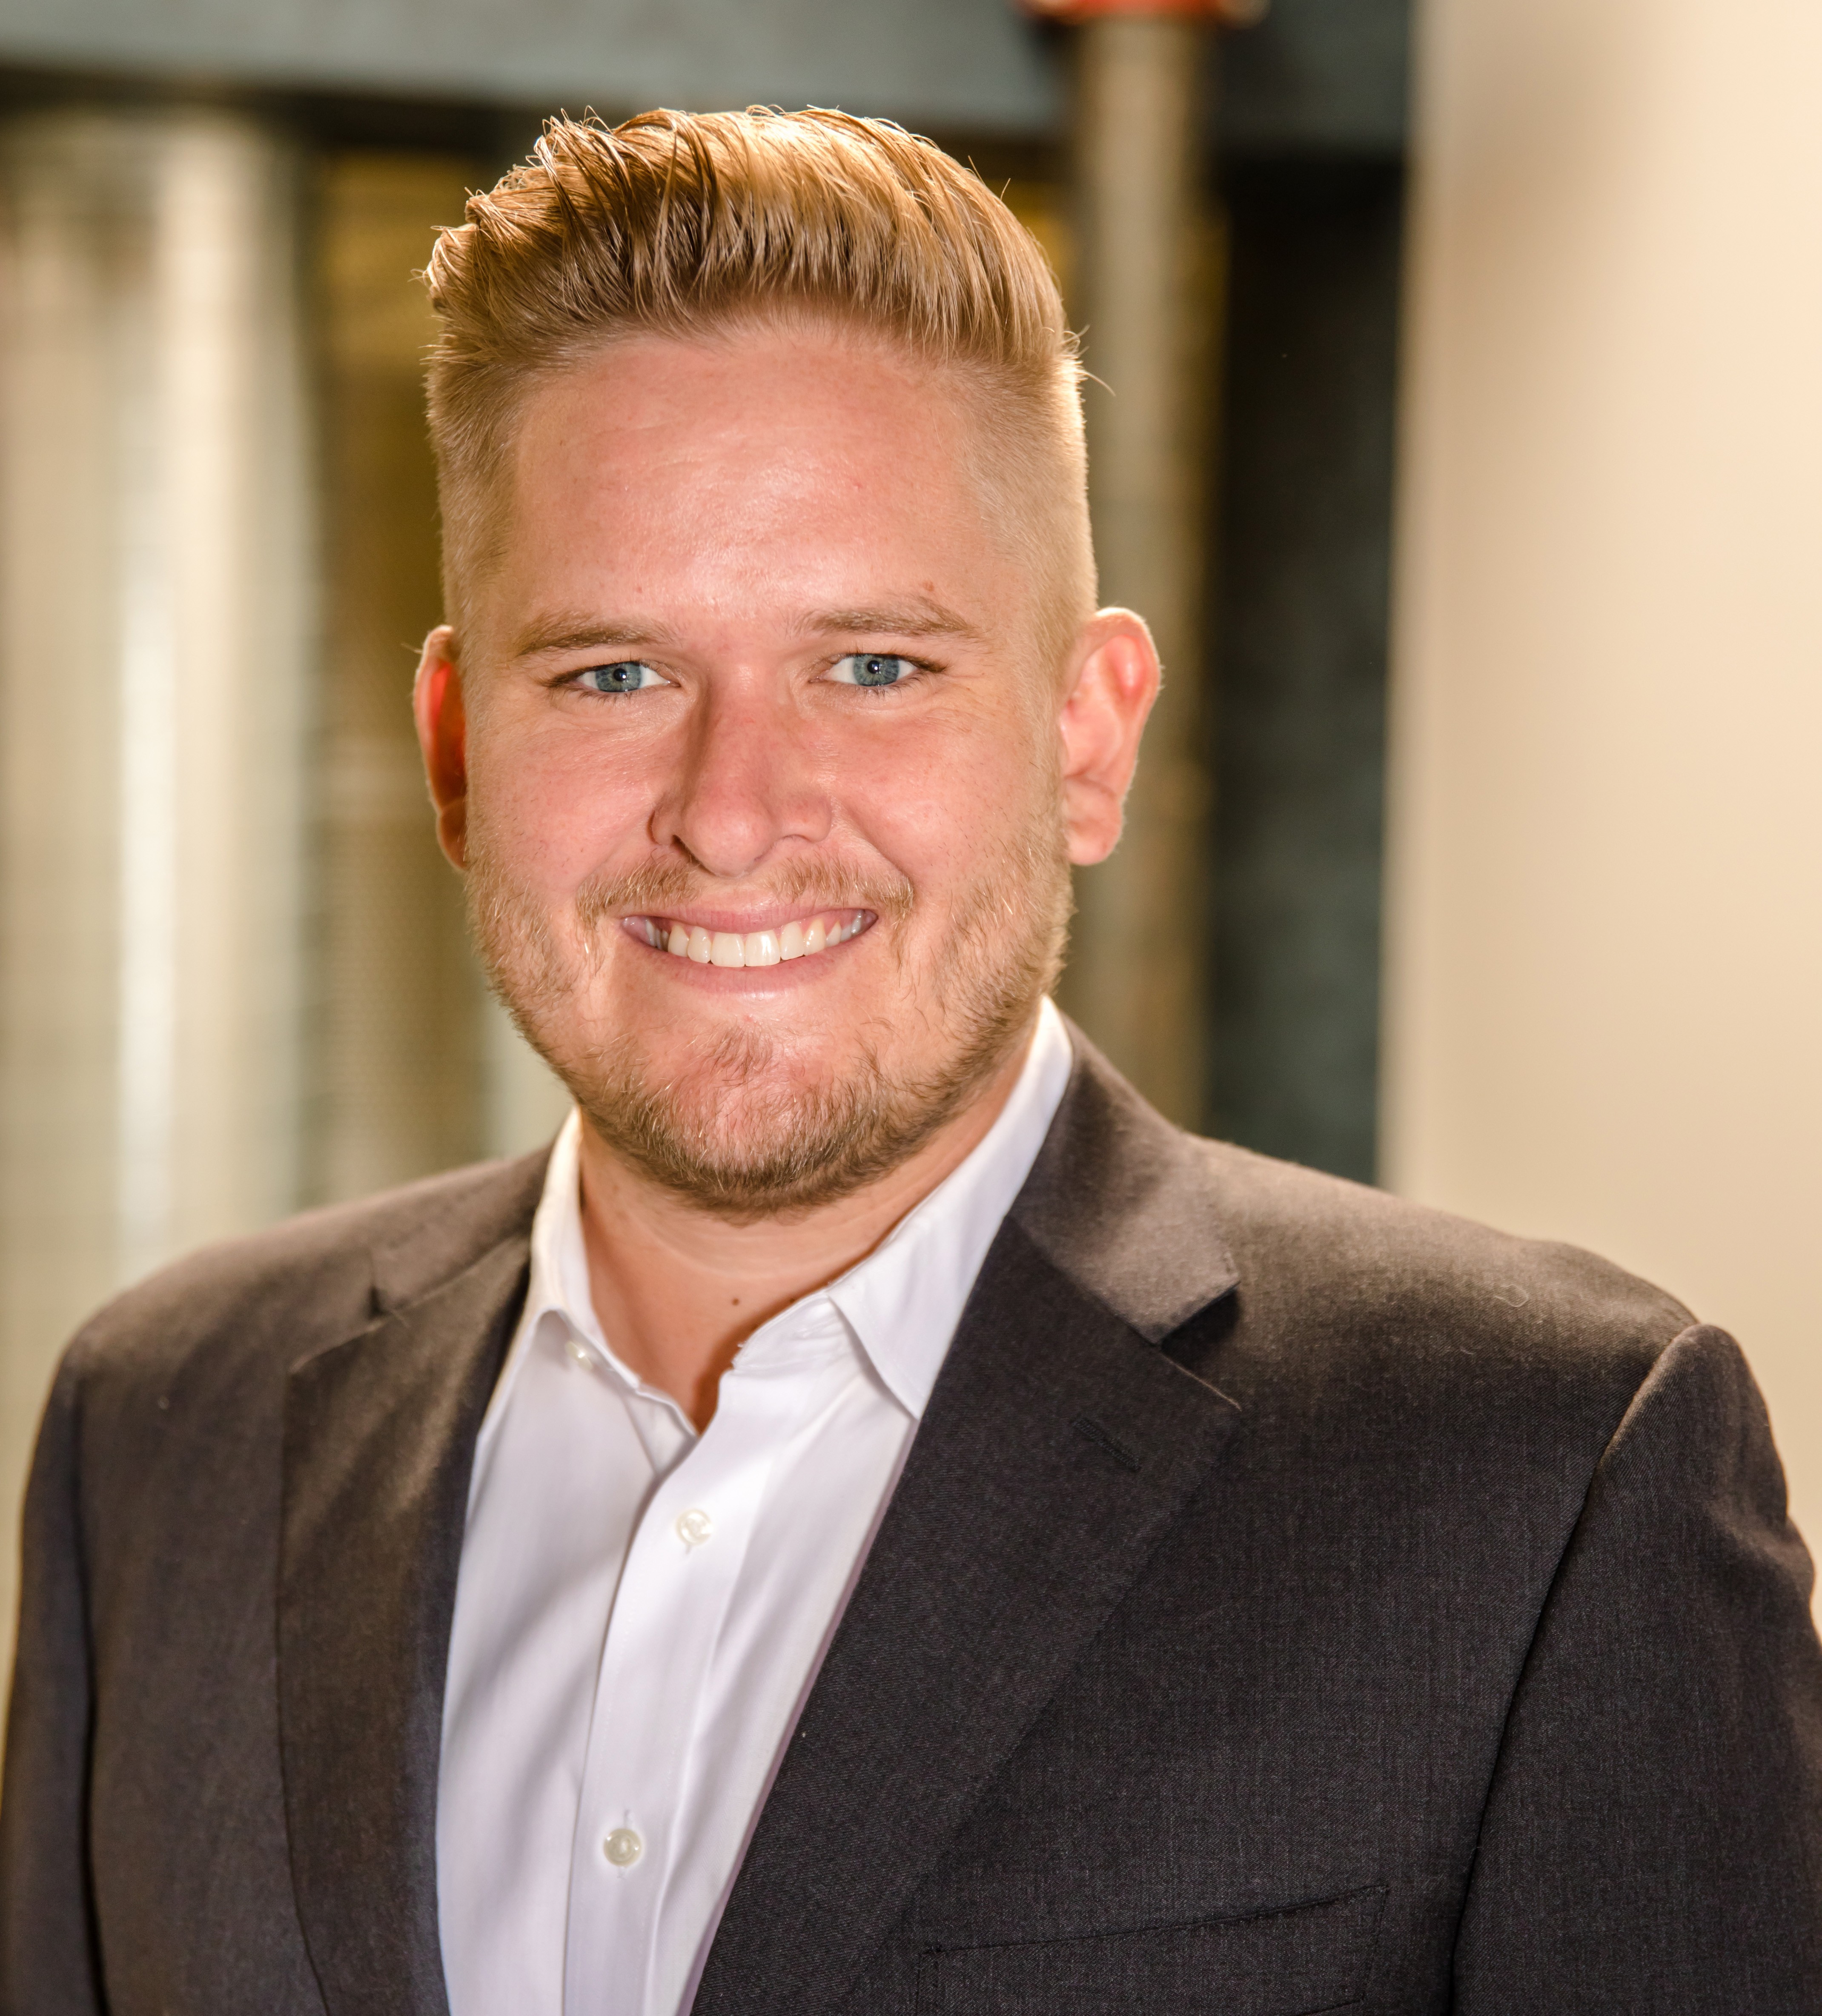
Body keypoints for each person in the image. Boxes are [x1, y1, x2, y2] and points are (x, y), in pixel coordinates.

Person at [3, 107, 1818, 2016]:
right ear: (458, 749)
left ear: (1086, 737)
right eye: (613, 672)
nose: (731, 813)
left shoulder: (1543, 1475)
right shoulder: (165, 1432)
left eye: (874, 666)